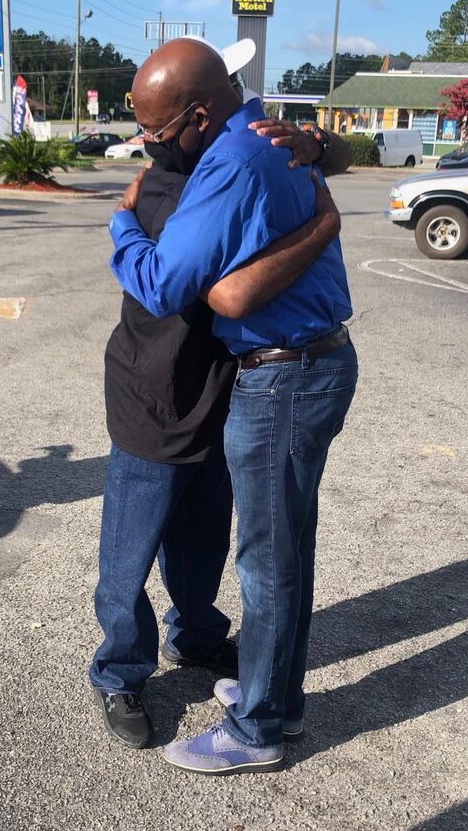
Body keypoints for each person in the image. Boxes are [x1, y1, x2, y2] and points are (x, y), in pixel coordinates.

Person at [90, 39, 349, 751]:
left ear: (201, 115)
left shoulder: (248, 153)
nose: (147, 142)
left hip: (225, 386)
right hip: (153, 392)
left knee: (206, 536)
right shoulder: (170, 174)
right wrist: (118, 219)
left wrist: (323, 148)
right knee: (130, 547)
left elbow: (225, 282)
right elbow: (173, 284)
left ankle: (197, 635)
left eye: (158, 129)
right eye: (143, 130)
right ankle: (119, 668)